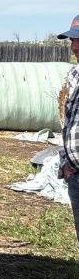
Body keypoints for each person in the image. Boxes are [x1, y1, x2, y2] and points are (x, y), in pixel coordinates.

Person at [58, 14, 79, 240]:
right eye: (72, 40)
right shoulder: (74, 75)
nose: (74, 47)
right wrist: (65, 162)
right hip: (75, 174)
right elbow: (68, 122)